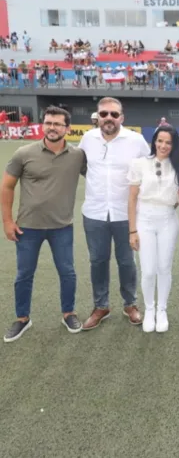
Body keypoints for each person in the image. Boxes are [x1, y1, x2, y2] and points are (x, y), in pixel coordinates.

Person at [2, 106, 87, 342]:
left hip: (62, 227)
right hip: (27, 227)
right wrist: (8, 221)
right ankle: (22, 319)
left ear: (67, 129)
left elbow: (99, 176)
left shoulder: (78, 155)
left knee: (67, 272)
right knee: (24, 274)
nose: (52, 127)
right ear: (43, 125)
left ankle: (68, 313)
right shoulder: (23, 153)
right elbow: (7, 186)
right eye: (48, 123)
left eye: (58, 124)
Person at [79, 97, 150, 330]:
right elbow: (82, 168)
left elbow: (148, 171)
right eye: (104, 114)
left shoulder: (137, 141)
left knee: (126, 261)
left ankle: (130, 304)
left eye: (113, 114)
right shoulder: (87, 139)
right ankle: (101, 306)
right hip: (94, 212)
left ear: (122, 117)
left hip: (125, 214)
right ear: (97, 117)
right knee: (97, 260)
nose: (108, 118)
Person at [127, 126, 179, 333]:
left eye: (168, 142)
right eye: (160, 141)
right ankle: (149, 309)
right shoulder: (140, 164)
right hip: (144, 221)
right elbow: (132, 198)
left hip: (168, 220)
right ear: (154, 141)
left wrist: (165, 208)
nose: (163, 146)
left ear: (173, 145)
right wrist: (132, 230)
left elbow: (178, 199)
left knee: (164, 267)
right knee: (148, 270)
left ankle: (162, 310)